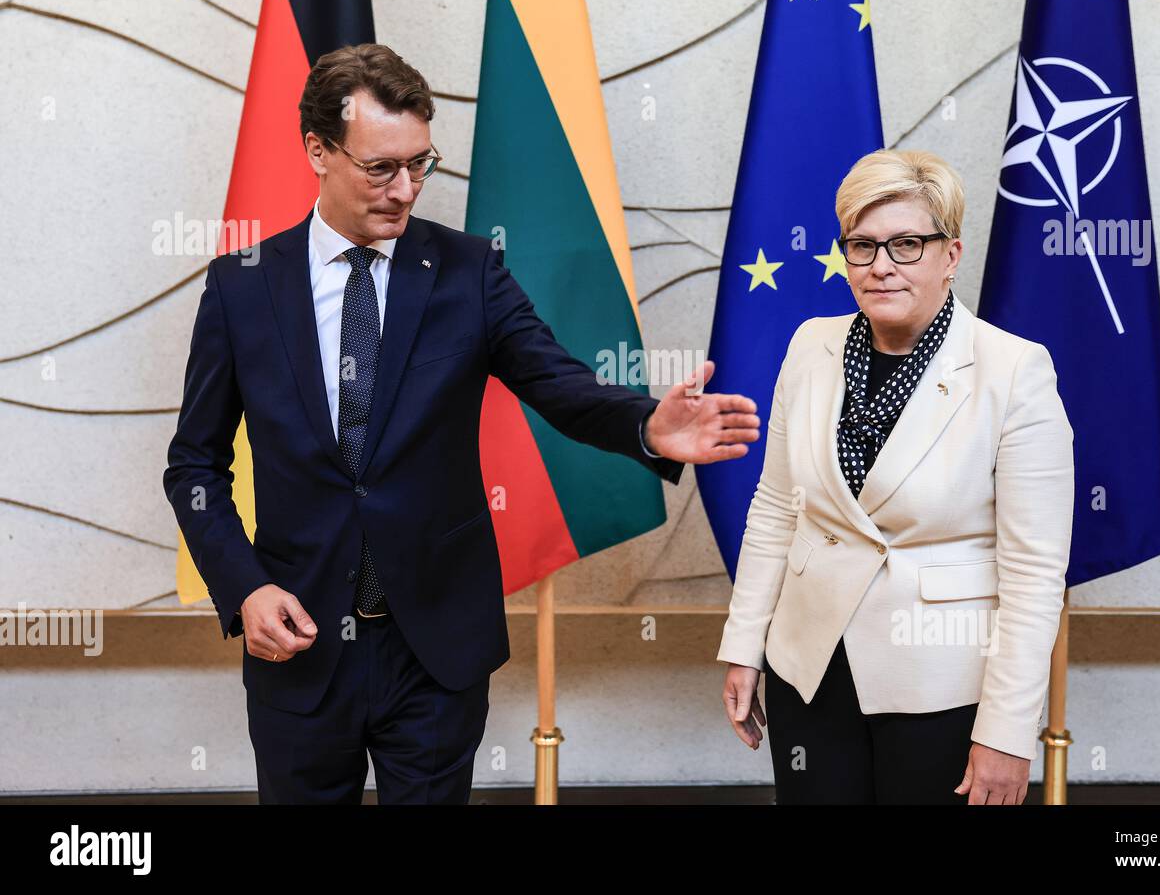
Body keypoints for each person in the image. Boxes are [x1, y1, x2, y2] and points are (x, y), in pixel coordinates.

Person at [163, 43, 760, 804]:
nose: (406, 189)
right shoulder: (241, 288)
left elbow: (560, 383)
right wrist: (244, 588)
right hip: (301, 640)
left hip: (435, 649)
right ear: (317, 149)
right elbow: (194, 467)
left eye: (421, 164)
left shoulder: (469, 272)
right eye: (381, 167)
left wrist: (646, 425)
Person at [717, 148, 1074, 804]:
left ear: (951, 255)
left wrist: (1008, 730)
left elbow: (1033, 574)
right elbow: (775, 507)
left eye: (907, 244)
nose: (881, 265)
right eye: (862, 244)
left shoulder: (1014, 370)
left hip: (940, 685)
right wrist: (743, 644)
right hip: (809, 670)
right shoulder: (809, 345)